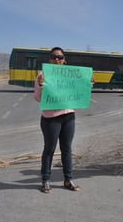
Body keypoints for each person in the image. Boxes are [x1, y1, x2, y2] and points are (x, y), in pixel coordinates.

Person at [34, 47, 80, 193]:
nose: (57, 60)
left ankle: (68, 179)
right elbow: (37, 98)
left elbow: (79, 92)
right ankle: (46, 180)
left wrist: (88, 84)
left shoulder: (71, 76)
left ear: (64, 60)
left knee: (67, 149)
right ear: (49, 59)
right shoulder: (42, 75)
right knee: (49, 149)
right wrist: (41, 86)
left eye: (60, 57)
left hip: (69, 117)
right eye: (54, 57)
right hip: (51, 119)